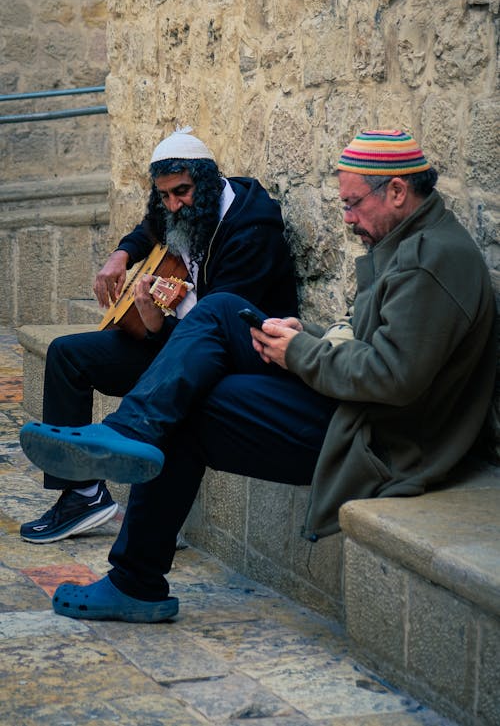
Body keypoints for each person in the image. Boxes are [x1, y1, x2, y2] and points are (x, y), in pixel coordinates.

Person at [20, 129, 497, 623]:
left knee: (193, 406)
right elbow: (371, 340)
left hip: (373, 439)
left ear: (397, 191)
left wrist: (302, 354)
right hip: (351, 407)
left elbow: (394, 377)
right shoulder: (413, 240)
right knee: (222, 311)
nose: (348, 218)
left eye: (354, 204)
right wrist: (305, 332)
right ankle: (129, 442)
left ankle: (134, 573)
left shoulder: (429, 262)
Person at [20, 126, 298, 544]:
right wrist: (121, 255)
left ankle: (142, 503)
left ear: (206, 183)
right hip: (182, 339)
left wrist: (157, 325)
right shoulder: (178, 209)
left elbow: (219, 330)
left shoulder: (251, 231)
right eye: (165, 195)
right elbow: (149, 227)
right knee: (67, 355)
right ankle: (81, 495)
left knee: (181, 376)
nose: (174, 205)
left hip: (237, 353)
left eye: (182, 192)